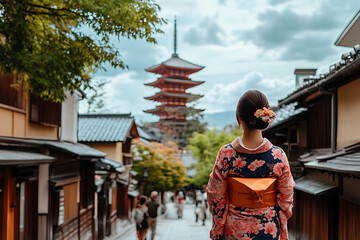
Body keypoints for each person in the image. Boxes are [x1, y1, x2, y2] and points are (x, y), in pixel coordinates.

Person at [207, 90, 295, 240]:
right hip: (268, 230)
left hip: (235, 230)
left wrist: (219, 228)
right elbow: (286, 198)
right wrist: (281, 227)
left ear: (239, 118)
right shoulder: (278, 156)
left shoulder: (226, 154)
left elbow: (216, 197)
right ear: (265, 118)